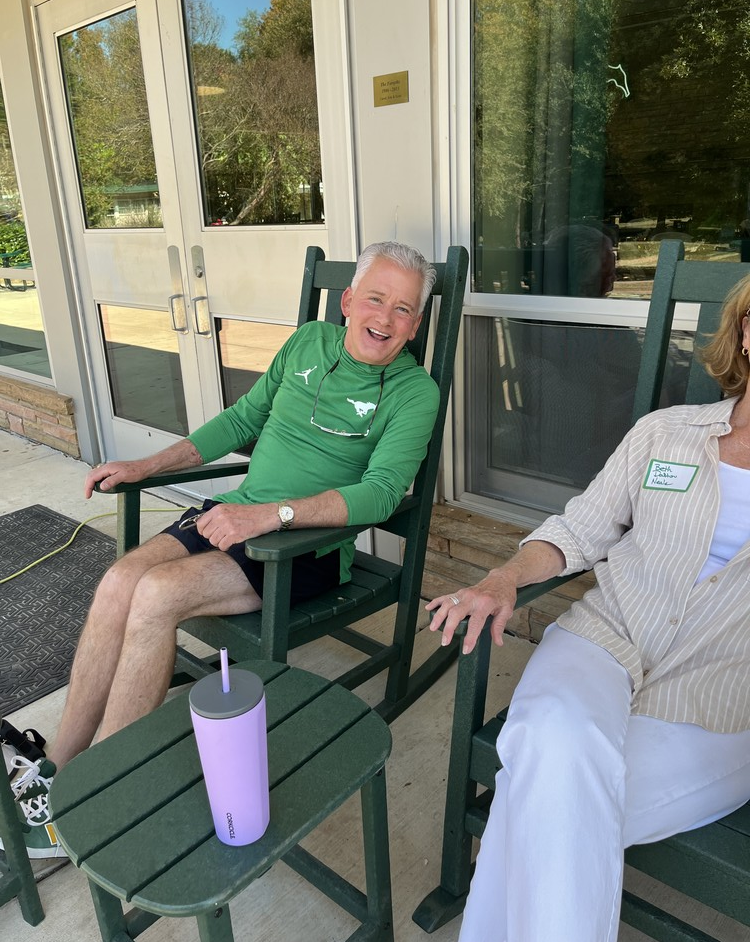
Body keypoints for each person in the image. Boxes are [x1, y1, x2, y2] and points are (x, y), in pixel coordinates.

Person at [6, 241, 440, 859]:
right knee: (121, 578)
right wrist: (144, 465)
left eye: (403, 309)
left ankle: (97, 796)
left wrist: (271, 515)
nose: (386, 318)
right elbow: (241, 421)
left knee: (157, 594)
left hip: (306, 549)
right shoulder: (307, 343)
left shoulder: (415, 392)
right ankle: (59, 764)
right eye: (376, 298)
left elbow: (380, 494)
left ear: (415, 325)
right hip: (234, 516)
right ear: (347, 302)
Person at [428, 272, 750, 942]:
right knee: (553, 753)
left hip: (720, 697)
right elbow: (581, 528)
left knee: (542, 797)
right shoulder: (666, 433)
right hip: (604, 640)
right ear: (746, 333)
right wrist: (504, 577)